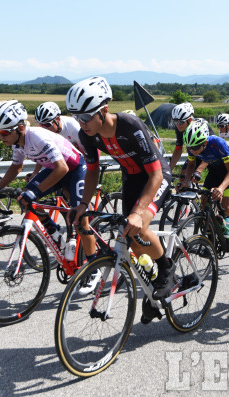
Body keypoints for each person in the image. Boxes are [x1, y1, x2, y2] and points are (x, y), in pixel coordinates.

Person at [67, 76, 174, 315]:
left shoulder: (130, 125)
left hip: (156, 176)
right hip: (133, 178)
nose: (81, 123)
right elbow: (92, 171)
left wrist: (138, 213)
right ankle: (151, 288)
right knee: (131, 238)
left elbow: (155, 175)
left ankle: (166, 270)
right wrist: (83, 204)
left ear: (103, 110)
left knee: (140, 225)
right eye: (76, 118)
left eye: (85, 117)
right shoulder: (87, 135)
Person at [0, 100, 98, 288]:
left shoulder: (37, 137)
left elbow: (62, 168)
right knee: (25, 199)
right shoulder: (18, 144)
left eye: (5, 132)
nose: (2, 137)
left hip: (74, 169)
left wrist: (36, 191)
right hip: (55, 168)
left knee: (80, 220)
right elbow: (16, 167)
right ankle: (55, 234)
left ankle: (94, 267)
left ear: (21, 128)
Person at [180, 120, 229, 248]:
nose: (193, 151)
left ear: (205, 142)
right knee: (204, 207)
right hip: (214, 171)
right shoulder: (192, 146)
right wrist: (186, 181)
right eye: (190, 147)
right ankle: (212, 243)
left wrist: (221, 188)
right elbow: (191, 164)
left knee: (227, 207)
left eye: (196, 148)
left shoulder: (218, 143)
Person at [168, 102, 210, 186]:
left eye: (181, 122)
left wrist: (198, 171)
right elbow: (178, 150)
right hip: (193, 155)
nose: (177, 125)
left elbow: (211, 151)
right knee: (183, 178)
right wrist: (168, 170)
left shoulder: (202, 126)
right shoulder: (180, 128)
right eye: (175, 122)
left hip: (208, 154)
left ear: (189, 120)